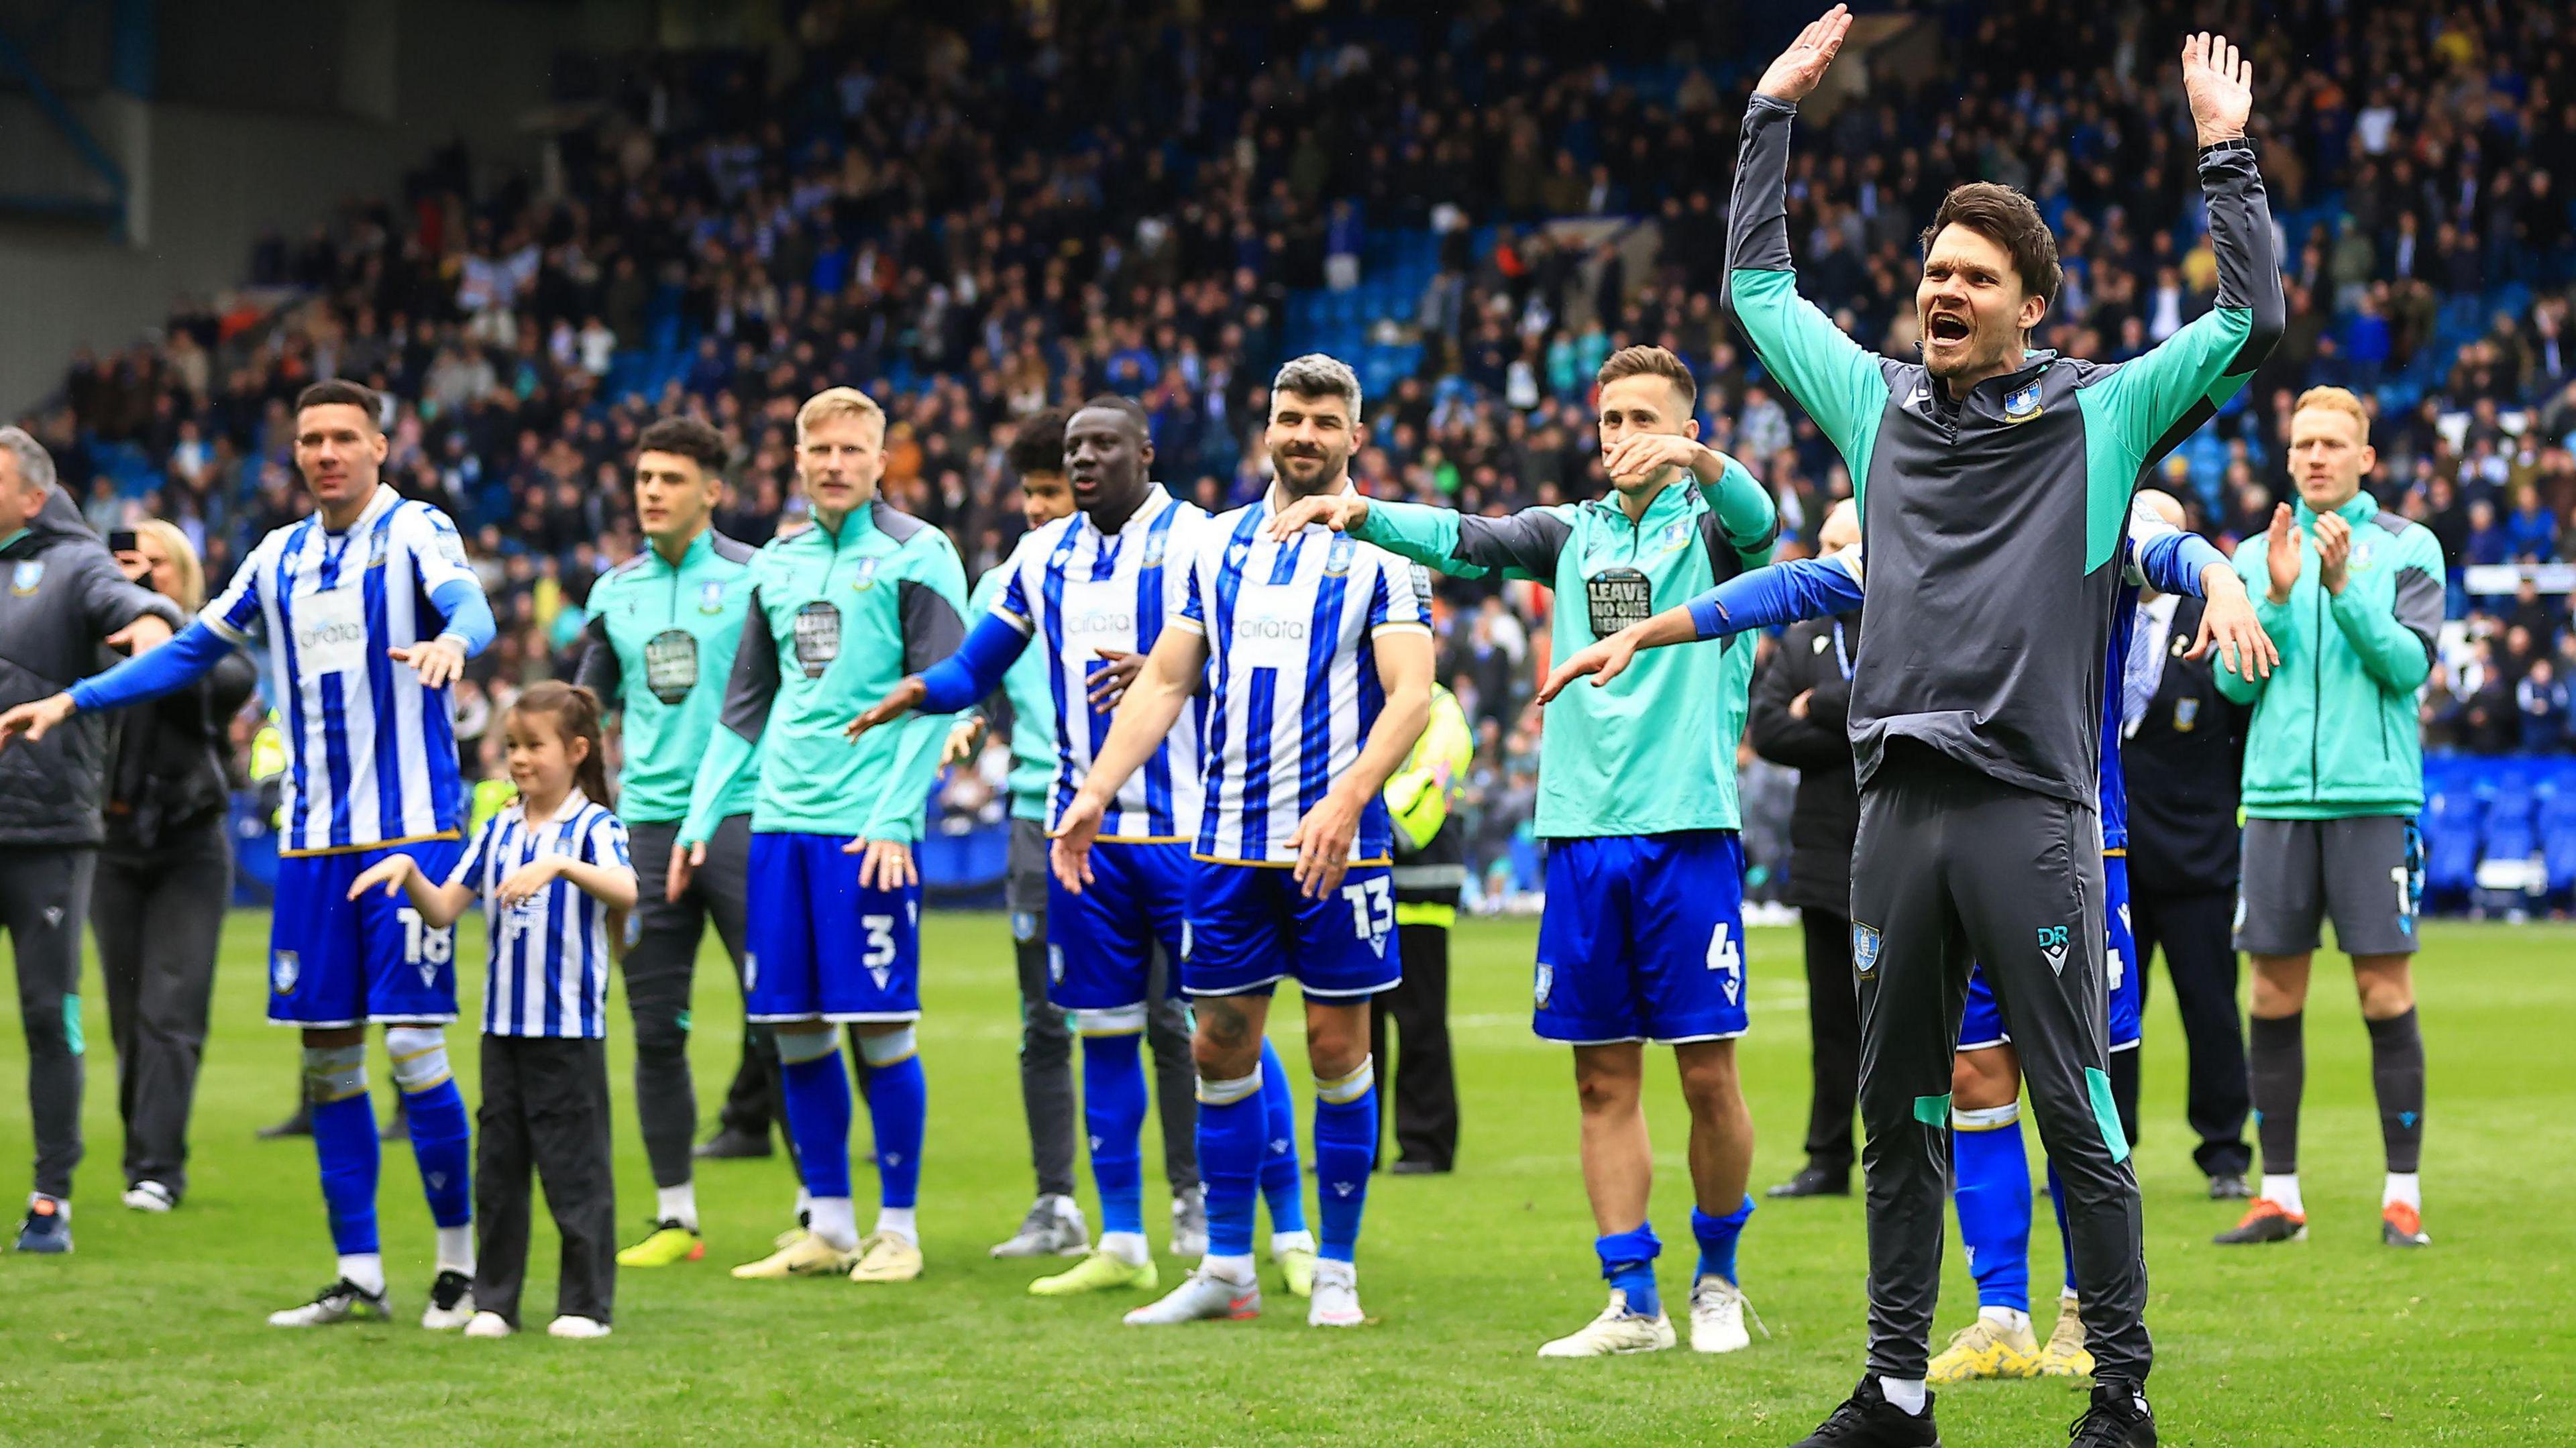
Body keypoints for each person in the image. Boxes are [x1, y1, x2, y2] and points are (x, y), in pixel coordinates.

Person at [1714, 17, 2280, 1444]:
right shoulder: (1874, 405)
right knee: (1893, 1110)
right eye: (1929, 277)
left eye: (1972, 276)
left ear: (2036, 301)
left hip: (2033, 811)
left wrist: (2228, 157)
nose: (1940, 293)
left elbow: (2247, 326)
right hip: (1895, 807)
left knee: (2075, 1106)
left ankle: (2124, 1389)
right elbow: (1759, 288)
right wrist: (1769, 117)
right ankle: (1896, 1384)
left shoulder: (2105, 411)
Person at [1549, 487, 2263, 1388]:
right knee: (1970, 1072)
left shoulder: (2085, 519)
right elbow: (1798, 584)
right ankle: (2001, 1312)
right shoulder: (1926, 535)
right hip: (1948, 850)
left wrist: (2226, 581)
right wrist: (1655, 630)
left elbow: (2170, 549)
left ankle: (2088, 1311)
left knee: (2079, 1085)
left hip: (2073, 843)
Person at [1273, 343, 1780, 1358]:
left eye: (1644, 419)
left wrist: (1696, 462)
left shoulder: (1717, 536)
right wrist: (1362, 512)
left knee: (1708, 1076)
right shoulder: (1572, 533)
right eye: (1610, 421)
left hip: (1685, 830)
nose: (1621, 437)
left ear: (1686, 431)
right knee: (1601, 1078)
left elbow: (1764, 517)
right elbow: (1467, 537)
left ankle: (1718, 1276)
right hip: (1581, 837)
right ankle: (1631, 1298)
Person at [3, 382, 495, 1323]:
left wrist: (454, 648)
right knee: (329, 1061)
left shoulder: (418, 530)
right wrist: (75, 699)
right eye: (310, 437)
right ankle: (360, 1274)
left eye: (344, 436)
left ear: (380, 447)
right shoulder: (280, 555)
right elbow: (189, 649)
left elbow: (468, 606)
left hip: (412, 832)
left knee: (414, 1046)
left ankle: (459, 1265)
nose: (326, 452)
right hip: (314, 841)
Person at [851, 400, 1268, 1297]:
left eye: (1101, 445)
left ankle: (1261, 1222)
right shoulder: (1040, 556)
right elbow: (977, 669)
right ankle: (1120, 1237)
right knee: (1103, 1031)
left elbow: (1249, 651)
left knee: (1225, 1030)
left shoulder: (1202, 540)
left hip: (1195, 830)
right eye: (1074, 447)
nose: (1083, 458)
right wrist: (919, 690)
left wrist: (1173, 660)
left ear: (1145, 454)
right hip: (1087, 840)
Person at [1055, 354, 1434, 1329]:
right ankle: (1228, 1264)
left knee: (1334, 1043)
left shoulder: (1384, 552)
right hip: (1224, 844)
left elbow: (1412, 694)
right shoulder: (1216, 544)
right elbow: (1168, 679)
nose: (1303, 434)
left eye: (1323, 420)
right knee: (1219, 1044)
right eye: (1288, 417)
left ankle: (1337, 1267)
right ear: (1266, 429)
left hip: (1338, 847)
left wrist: (1352, 795)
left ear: (1355, 435)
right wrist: (1098, 788)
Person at [681, 387, 967, 1284]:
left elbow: (945, 691)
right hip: (779, 827)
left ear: (882, 460)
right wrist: (700, 815)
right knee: (794, 1029)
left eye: (852, 449)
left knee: (881, 1028)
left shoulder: (920, 554)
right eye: (819, 450)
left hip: (866, 830)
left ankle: (900, 1228)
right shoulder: (777, 563)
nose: (834, 464)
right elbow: (744, 706)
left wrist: (894, 813)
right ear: (797, 460)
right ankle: (830, 1223)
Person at [2212, 386, 2447, 1251]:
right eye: (2302, 443)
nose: (2314, 456)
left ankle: (2403, 1193)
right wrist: (2273, 596)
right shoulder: (2253, 552)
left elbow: (2407, 667)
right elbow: (2236, 684)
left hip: (2373, 800)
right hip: (2274, 799)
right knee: (2273, 993)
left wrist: (2343, 589)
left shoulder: (2407, 546)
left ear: (2365, 459)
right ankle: (2280, 1196)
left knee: (2384, 992)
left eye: (2331, 444)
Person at [350, 682, 636, 1339]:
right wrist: (409, 872)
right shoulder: (500, 826)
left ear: (578, 749)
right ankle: (495, 1301)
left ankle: (585, 1304)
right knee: (499, 1172)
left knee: (575, 1171)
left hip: (568, 1030)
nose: (521, 758)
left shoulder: (594, 825)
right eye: (513, 745)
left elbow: (626, 889)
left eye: (535, 745)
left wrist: (560, 866)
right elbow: (448, 906)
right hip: (501, 1030)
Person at [574, 415, 774, 1268]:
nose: (650, 491)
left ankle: (819, 1212)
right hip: (648, 828)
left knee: (783, 1019)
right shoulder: (611, 591)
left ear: (712, 491)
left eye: (670, 478)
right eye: (644, 476)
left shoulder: (761, 578)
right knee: (656, 1029)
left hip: (746, 817)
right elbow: (581, 716)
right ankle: (675, 1219)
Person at [0, 428, 179, 1251]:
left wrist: (147, 632)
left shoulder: (73, 564)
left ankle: (51, 1197)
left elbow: (140, 613)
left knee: (48, 1011)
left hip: (45, 831)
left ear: (34, 494)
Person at [98, 520, 258, 1214]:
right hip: (112, 841)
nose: (148, 573)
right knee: (127, 1014)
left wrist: (163, 617)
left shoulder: (206, 638)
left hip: (189, 844)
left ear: (185, 574)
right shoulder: (98, 644)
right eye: (134, 563)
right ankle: (145, 1155)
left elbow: (228, 682)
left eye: (160, 564)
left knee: (172, 1006)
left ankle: (159, 1166)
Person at [2122, 528, 2255, 1201]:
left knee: (2210, 1008)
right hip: (2110, 856)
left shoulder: (2214, 620)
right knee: (2112, 1013)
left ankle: (2226, 1152)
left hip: (2196, 855)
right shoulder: (2095, 616)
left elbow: (2238, 729)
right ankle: (2106, 1151)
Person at [1748, 498, 1863, 1201]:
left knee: (1916, 1020)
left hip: (1902, 850)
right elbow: (1765, 731)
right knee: (1831, 1022)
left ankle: (1927, 1153)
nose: (1821, 555)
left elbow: (1909, 705)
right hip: (1824, 854)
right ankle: (1827, 1157)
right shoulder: (1803, 635)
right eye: (1819, 541)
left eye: (1836, 543)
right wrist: (1853, 715)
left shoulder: (1911, 618)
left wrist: (1819, 705)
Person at [1375, 679, 1473, 1175]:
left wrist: (1362, 811)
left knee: (1419, 1022)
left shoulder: (1437, 707)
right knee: (1356, 1023)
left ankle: (1426, 1144)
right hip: (1369, 877)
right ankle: (1356, 1143)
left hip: (1417, 886)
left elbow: (1434, 773)